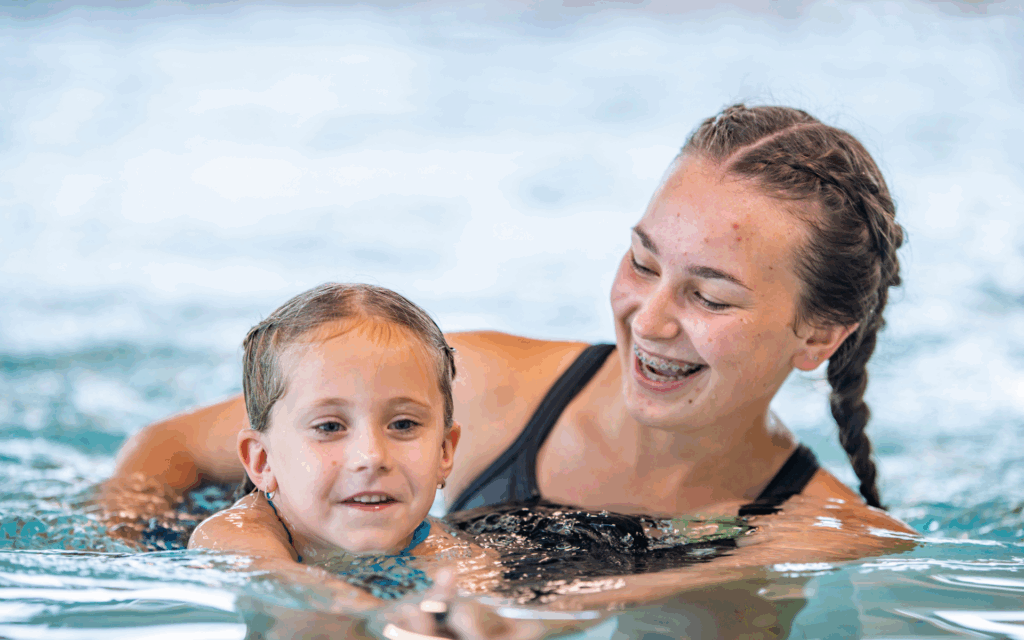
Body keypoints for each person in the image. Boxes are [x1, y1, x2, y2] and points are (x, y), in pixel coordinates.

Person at [106, 104, 914, 582]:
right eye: (641, 262)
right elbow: (168, 446)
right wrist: (180, 549)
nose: (649, 318)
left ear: (819, 336)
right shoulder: (467, 385)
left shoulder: (819, 536)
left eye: (709, 294)